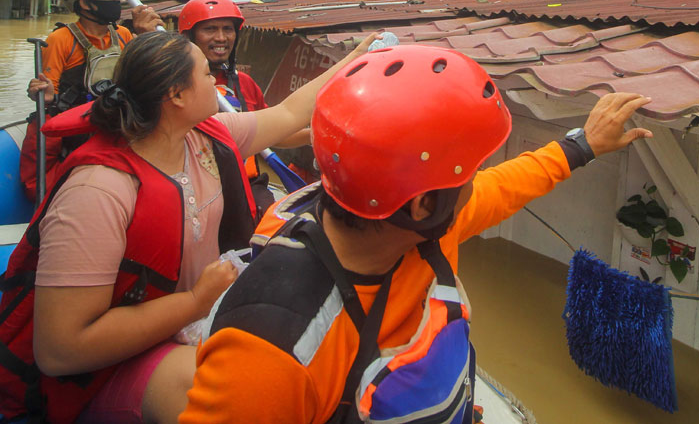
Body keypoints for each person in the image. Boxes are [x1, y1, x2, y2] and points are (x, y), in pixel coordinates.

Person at [180, 45, 653, 423]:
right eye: (466, 173)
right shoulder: (267, 352)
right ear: (423, 203)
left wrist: (581, 146)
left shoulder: (417, 229)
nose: (475, 183)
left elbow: (505, 186)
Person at [0, 29, 381, 424]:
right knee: (229, 389)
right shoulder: (99, 190)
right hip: (107, 369)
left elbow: (288, 114)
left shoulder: (203, 139)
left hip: (194, 319)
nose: (216, 82)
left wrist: (354, 59)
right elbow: (61, 349)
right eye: (204, 74)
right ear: (177, 96)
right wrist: (196, 301)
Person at [18, 0, 161, 199]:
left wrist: (145, 37)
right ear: (84, 3)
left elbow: (143, 77)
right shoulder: (61, 39)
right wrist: (45, 94)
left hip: (115, 118)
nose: (115, 1)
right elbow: (50, 92)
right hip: (76, 122)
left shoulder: (123, 34)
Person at [178, 0, 307, 209]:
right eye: (210, 29)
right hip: (195, 187)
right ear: (190, 36)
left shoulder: (244, 83)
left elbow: (272, 131)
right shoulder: (173, 85)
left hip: (244, 185)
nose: (221, 38)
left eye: (228, 29)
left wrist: (312, 136)